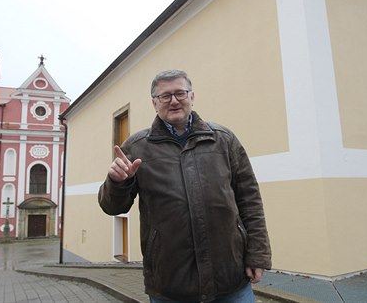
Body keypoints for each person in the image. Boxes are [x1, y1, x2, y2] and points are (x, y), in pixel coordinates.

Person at [98, 69, 271, 302]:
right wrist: (117, 182)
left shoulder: (223, 139)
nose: (174, 100)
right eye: (165, 96)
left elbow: (250, 200)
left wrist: (257, 254)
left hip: (230, 278)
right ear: (154, 103)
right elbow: (112, 207)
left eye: (180, 93)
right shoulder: (136, 147)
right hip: (170, 283)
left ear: (192, 96)